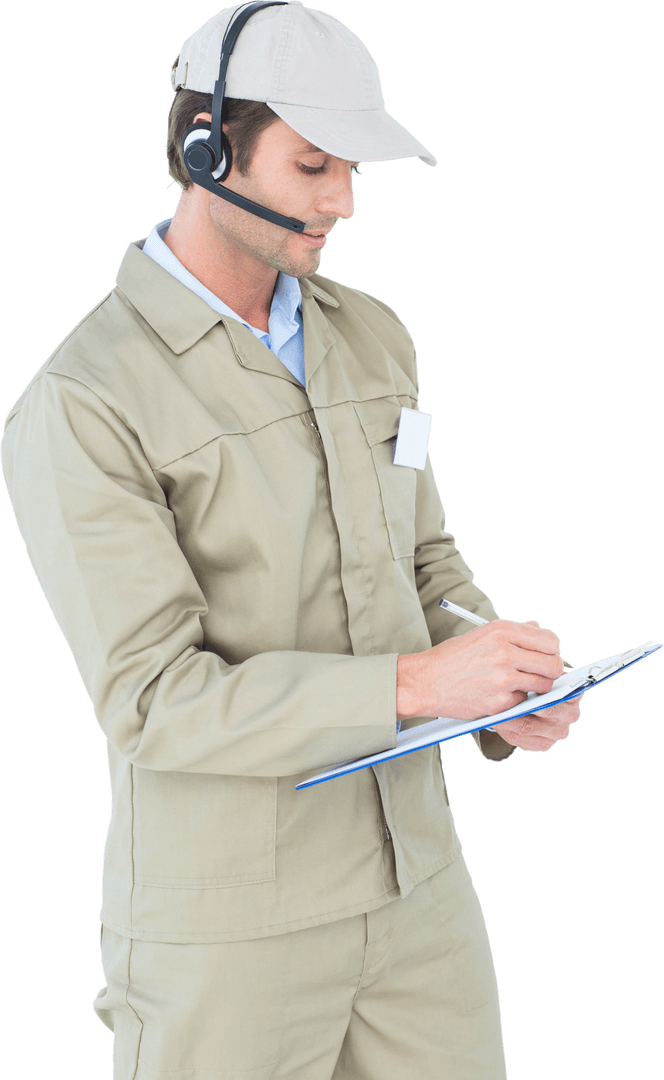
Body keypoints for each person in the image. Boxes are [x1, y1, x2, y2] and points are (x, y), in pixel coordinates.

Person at [0, 2, 580, 1077]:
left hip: (418, 896)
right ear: (203, 150)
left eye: (352, 167)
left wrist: (502, 678)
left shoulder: (373, 334)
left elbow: (427, 561)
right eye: (312, 165)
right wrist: (416, 684)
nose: (345, 202)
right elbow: (153, 700)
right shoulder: (84, 403)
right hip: (229, 933)